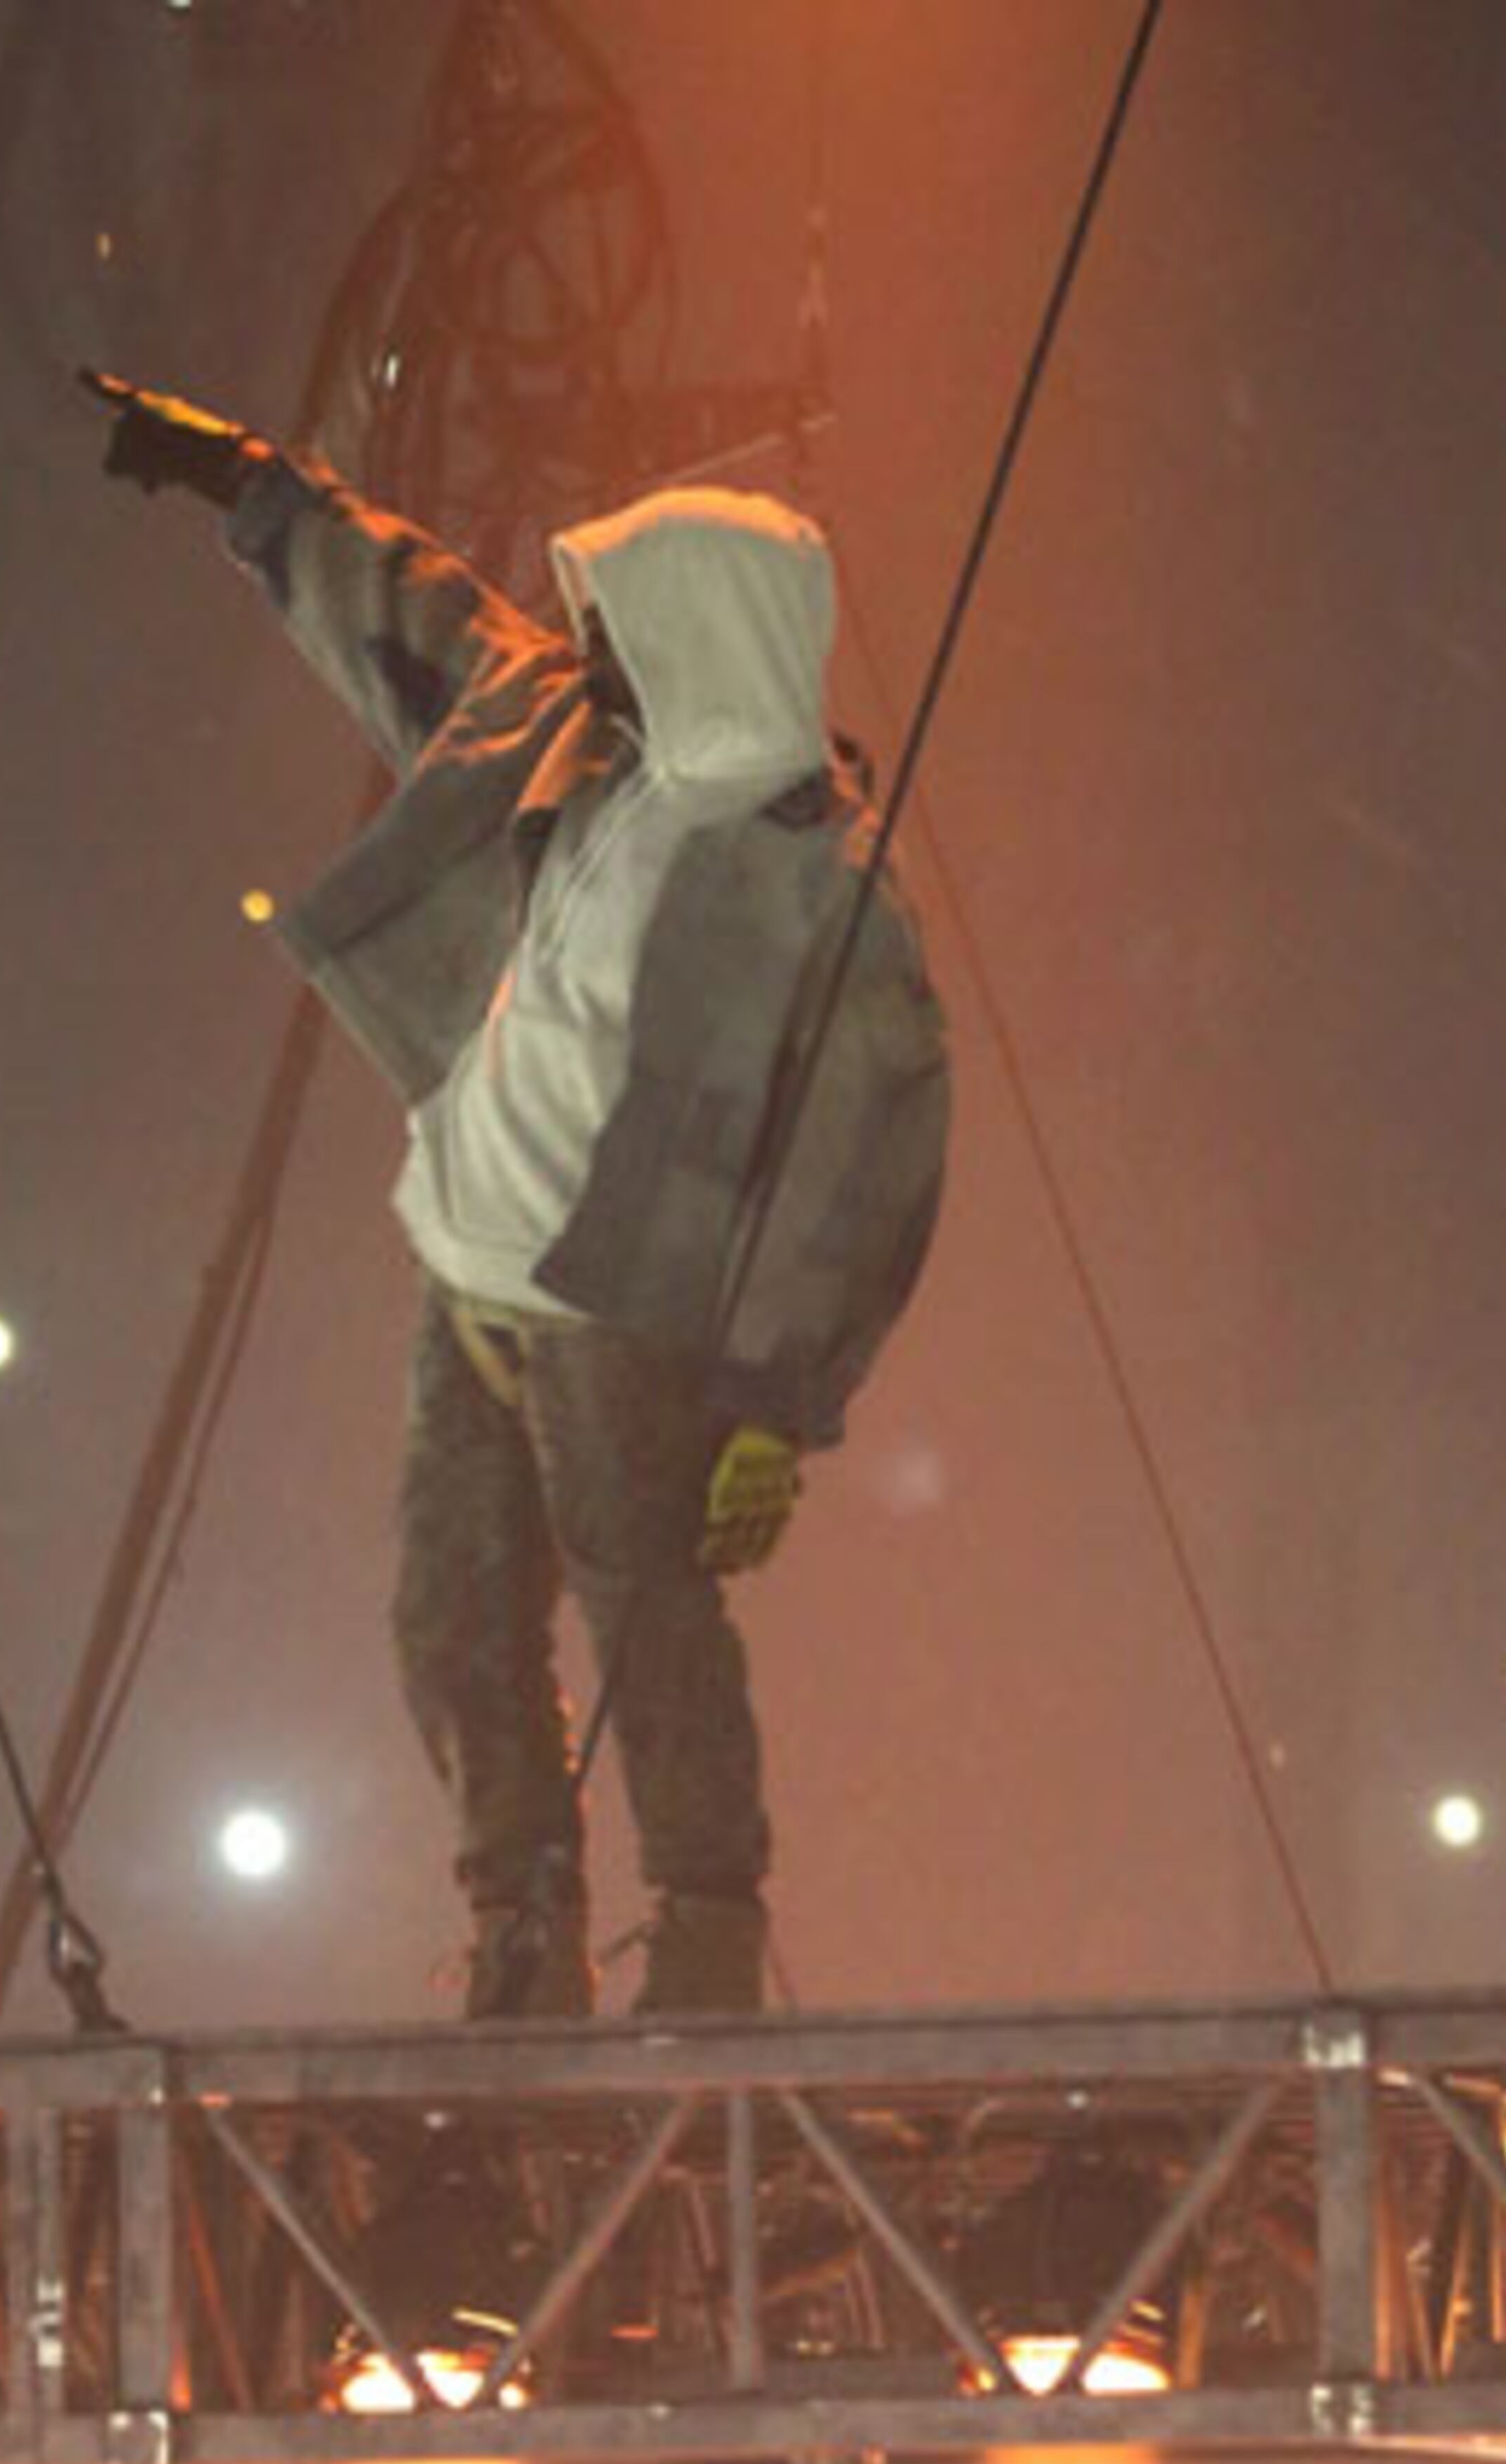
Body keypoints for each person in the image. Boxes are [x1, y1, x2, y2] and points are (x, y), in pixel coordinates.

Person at [82, 371, 951, 2015]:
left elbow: (866, 1167)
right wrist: (243, 487)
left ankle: (702, 1927)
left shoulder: (810, 880)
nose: (594, 645)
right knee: (452, 1613)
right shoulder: (567, 751)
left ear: (704, 626)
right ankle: (523, 1925)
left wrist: (777, 1399)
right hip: (472, 1278)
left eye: (627, 618)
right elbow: (416, 614)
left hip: (626, 1315)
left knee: (646, 1611)